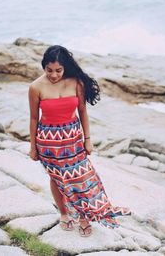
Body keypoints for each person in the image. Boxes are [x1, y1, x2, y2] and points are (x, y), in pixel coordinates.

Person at [28, 45, 131, 237]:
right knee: (57, 179)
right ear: (43, 67)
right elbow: (34, 118)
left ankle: (84, 216)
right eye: (49, 70)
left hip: (74, 140)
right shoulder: (35, 87)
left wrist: (88, 139)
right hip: (48, 143)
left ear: (65, 67)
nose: (53, 75)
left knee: (81, 179)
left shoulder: (76, 83)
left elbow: (83, 111)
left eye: (58, 70)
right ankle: (64, 214)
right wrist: (33, 147)